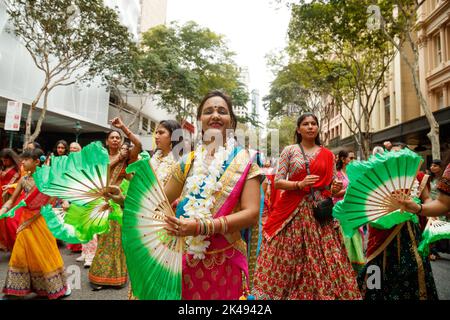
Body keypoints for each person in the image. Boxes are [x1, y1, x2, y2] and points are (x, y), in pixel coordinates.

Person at [160, 90, 261, 300]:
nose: (215, 115)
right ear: (200, 120)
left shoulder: (245, 160)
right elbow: (159, 200)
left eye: (222, 111)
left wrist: (202, 226)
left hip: (225, 261)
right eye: (208, 111)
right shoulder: (188, 161)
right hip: (184, 259)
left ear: (231, 120)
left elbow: (251, 214)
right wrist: (122, 199)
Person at [252, 113, 361, 300]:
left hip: (319, 214)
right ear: (298, 129)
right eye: (305, 124)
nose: (310, 127)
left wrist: (333, 188)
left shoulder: (327, 155)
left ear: (318, 128)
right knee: (289, 256)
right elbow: (278, 182)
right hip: (291, 212)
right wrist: (298, 184)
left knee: (325, 258)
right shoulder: (290, 151)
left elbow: (331, 186)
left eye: (313, 124)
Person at [358, 144, 438, 300]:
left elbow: (427, 198)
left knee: (414, 267)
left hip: (410, 230)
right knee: (378, 267)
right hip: (383, 231)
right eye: (393, 154)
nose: (397, 157)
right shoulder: (380, 175)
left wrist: (430, 213)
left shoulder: (418, 176)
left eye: (401, 154)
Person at [0, 148, 70, 299]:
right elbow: (12, 200)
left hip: (41, 220)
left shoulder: (46, 180)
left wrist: (65, 201)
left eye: (26, 160)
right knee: (20, 252)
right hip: (25, 219)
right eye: (22, 159)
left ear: (37, 162)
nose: (23, 162)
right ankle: (15, 288)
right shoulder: (24, 180)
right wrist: (2, 211)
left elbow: (51, 201)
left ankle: (55, 286)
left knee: (45, 253)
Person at [88, 117, 142, 291]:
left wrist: (123, 128)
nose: (115, 139)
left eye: (118, 137)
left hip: (117, 203)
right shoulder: (101, 157)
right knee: (103, 239)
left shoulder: (126, 160)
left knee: (117, 240)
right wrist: (118, 157)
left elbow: (138, 146)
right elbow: (100, 171)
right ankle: (99, 276)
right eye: (112, 137)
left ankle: (117, 277)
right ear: (106, 141)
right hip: (101, 202)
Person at [333, 150, 365, 273]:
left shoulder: (352, 173)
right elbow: (334, 193)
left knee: (356, 235)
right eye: (350, 158)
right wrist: (349, 190)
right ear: (342, 159)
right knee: (344, 237)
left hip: (354, 208)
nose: (352, 160)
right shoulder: (337, 174)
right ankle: (342, 264)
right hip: (342, 209)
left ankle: (355, 265)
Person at [0, 149, 21, 251]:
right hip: (1, 195)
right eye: (2, 160)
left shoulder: (18, 169)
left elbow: (19, 184)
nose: (4, 162)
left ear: (11, 159)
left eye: (5, 160)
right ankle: (3, 243)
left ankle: (13, 245)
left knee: (9, 221)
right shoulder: (4, 167)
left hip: (10, 196)